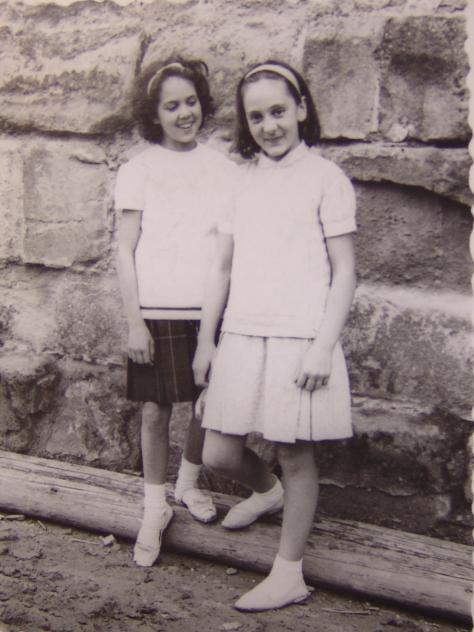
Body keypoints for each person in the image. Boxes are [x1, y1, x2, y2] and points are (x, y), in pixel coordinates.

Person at [193, 60, 357, 611]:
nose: (270, 125)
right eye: (257, 116)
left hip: (299, 336)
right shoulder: (239, 182)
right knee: (218, 453)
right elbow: (221, 268)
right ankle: (267, 493)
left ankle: (289, 573)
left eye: (279, 111)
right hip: (242, 332)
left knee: (294, 451)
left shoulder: (326, 179)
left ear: (302, 109)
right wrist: (208, 342)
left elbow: (345, 271)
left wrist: (323, 345)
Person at [115, 57, 234, 567]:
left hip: (208, 307)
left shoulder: (224, 169)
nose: (184, 113)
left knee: (208, 402)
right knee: (154, 410)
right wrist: (134, 321)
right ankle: (154, 506)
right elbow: (124, 250)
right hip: (155, 309)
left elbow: (225, 255)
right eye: (171, 106)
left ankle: (187, 482)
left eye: (191, 102)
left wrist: (209, 334)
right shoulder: (138, 170)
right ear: (154, 114)